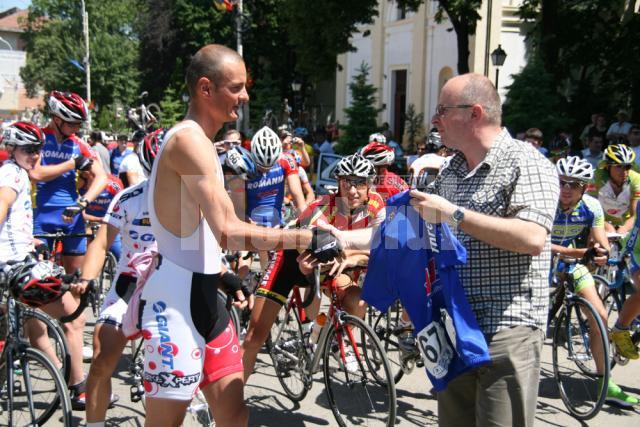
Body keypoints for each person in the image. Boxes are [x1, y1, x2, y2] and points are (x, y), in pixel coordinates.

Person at [110, 44, 336, 426]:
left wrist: (225, 276)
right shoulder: (188, 141)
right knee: (167, 422)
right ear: (205, 88)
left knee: (233, 413)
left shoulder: (204, 143)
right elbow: (231, 232)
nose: (245, 96)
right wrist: (303, 237)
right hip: (175, 304)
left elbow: (218, 227)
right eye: (237, 87)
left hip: (205, 295)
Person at [407, 73, 559, 426]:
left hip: (506, 331)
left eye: (442, 110)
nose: (434, 119)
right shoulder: (452, 170)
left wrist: (453, 214)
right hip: (455, 328)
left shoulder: (527, 162)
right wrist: (340, 239)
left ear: (474, 113)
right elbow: (409, 232)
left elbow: (533, 237)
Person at [242, 154, 385, 381]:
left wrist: (352, 257)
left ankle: (332, 338)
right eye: (347, 182)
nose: (353, 190)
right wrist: (354, 255)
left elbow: (385, 245)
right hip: (292, 259)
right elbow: (322, 250)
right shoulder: (322, 208)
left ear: (370, 184)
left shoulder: (377, 204)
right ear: (338, 182)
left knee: (357, 299)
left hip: (330, 264)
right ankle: (231, 404)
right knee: (253, 338)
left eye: (360, 182)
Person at [0, 121, 96, 409]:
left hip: (18, 260)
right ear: (11, 149)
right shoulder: (12, 175)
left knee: (34, 329)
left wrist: (30, 240)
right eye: (29, 150)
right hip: (13, 268)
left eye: (38, 149)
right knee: (75, 316)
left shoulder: (16, 172)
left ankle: (64, 380)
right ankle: (77, 388)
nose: (35, 156)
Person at [28, 92, 108, 408]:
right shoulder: (39, 138)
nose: (75, 128)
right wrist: (72, 164)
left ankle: (77, 382)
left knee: (75, 299)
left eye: (78, 123)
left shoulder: (78, 144)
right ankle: (50, 355)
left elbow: (101, 175)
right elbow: (35, 174)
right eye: (71, 122)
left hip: (72, 222)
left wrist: (84, 200)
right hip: (40, 224)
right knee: (36, 295)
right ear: (57, 119)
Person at [81, 130, 163, 426]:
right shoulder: (128, 198)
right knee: (102, 356)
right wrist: (86, 281)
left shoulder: (189, 198)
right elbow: (102, 243)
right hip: (130, 281)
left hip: (169, 284)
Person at [551, 156, 638, 407]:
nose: (566, 188)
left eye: (574, 184)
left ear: (584, 187)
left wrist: (601, 252)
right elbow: (535, 242)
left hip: (570, 263)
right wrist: (575, 253)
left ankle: (604, 382)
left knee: (599, 314)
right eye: (562, 182)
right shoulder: (545, 202)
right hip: (537, 263)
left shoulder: (592, 207)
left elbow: (599, 239)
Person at [587, 144, 640, 234]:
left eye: (627, 166)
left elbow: (635, 216)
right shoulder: (596, 177)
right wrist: (606, 226)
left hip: (626, 224)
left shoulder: (636, 179)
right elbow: (591, 210)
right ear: (607, 166)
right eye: (619, 166)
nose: (624, 171)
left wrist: (623, 230)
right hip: (601, 222)